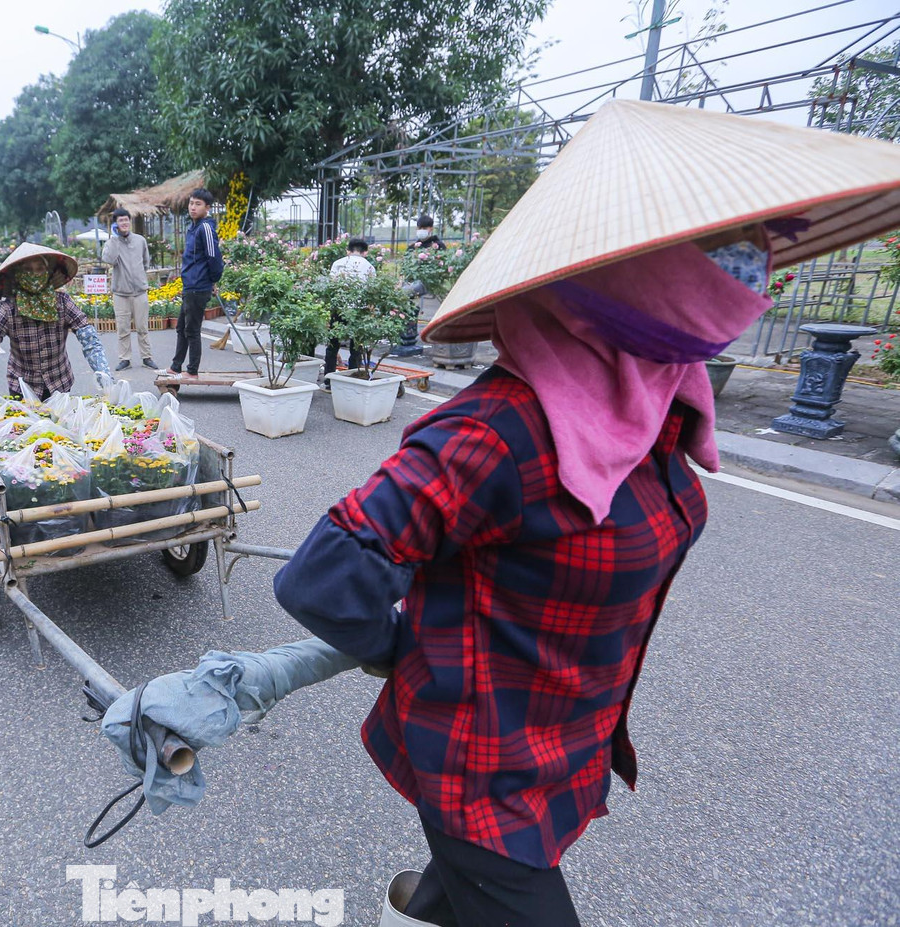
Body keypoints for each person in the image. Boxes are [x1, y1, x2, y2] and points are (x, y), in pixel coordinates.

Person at [272, 98, 900, 927]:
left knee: (449, 899)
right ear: (631, 268)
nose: (751, 268)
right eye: (718, 248)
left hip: (567, 741)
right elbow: (325, 572)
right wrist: (397, 649)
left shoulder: (663, 394)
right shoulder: (498, 429)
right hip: (483, 768)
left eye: (757, 242)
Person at [0, 243, 112, 412]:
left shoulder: (62, 302)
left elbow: (90, 340)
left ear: (48, 273)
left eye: (40, 269)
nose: (34, 274)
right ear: (18, 274)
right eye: (28, 270)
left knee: (59, 434)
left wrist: (105, 378)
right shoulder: (8, 309)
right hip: (22, 388)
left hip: (59, 384)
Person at [169, 188, 223, 378]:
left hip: (198, 287)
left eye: (198, 204)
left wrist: (213, 280)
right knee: (181, 328)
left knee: (192, 330)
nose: (193, 207)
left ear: (207, 208)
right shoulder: (193, 227)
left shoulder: (205, 228)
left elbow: (213, 257)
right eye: (191, 203)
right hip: (190, 286)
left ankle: (192, 371)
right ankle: (176, 366)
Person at [101, 207, 156, 371]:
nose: (124, 223)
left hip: (140, 292)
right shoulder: (112, 242)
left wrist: (140, 278)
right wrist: (114, 239)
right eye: (120, 221)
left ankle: (147, 357)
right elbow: (108, 259)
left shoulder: (140, 240)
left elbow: (146, 262)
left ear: (129, 222)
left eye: (126, 220)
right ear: (116, 224)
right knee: (123, 329)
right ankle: (125, 359)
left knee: (142, 328)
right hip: (120, 294)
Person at [321, 238, 375, 386]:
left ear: (348, 251)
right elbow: (371, 292)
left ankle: (329, 379)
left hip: (339, 308)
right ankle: (352, 376)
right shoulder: (370, 267)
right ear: (365, 252)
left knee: (333, 345)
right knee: (356, 346)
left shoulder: (337, 264)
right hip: (359, 310)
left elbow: (331, 288)